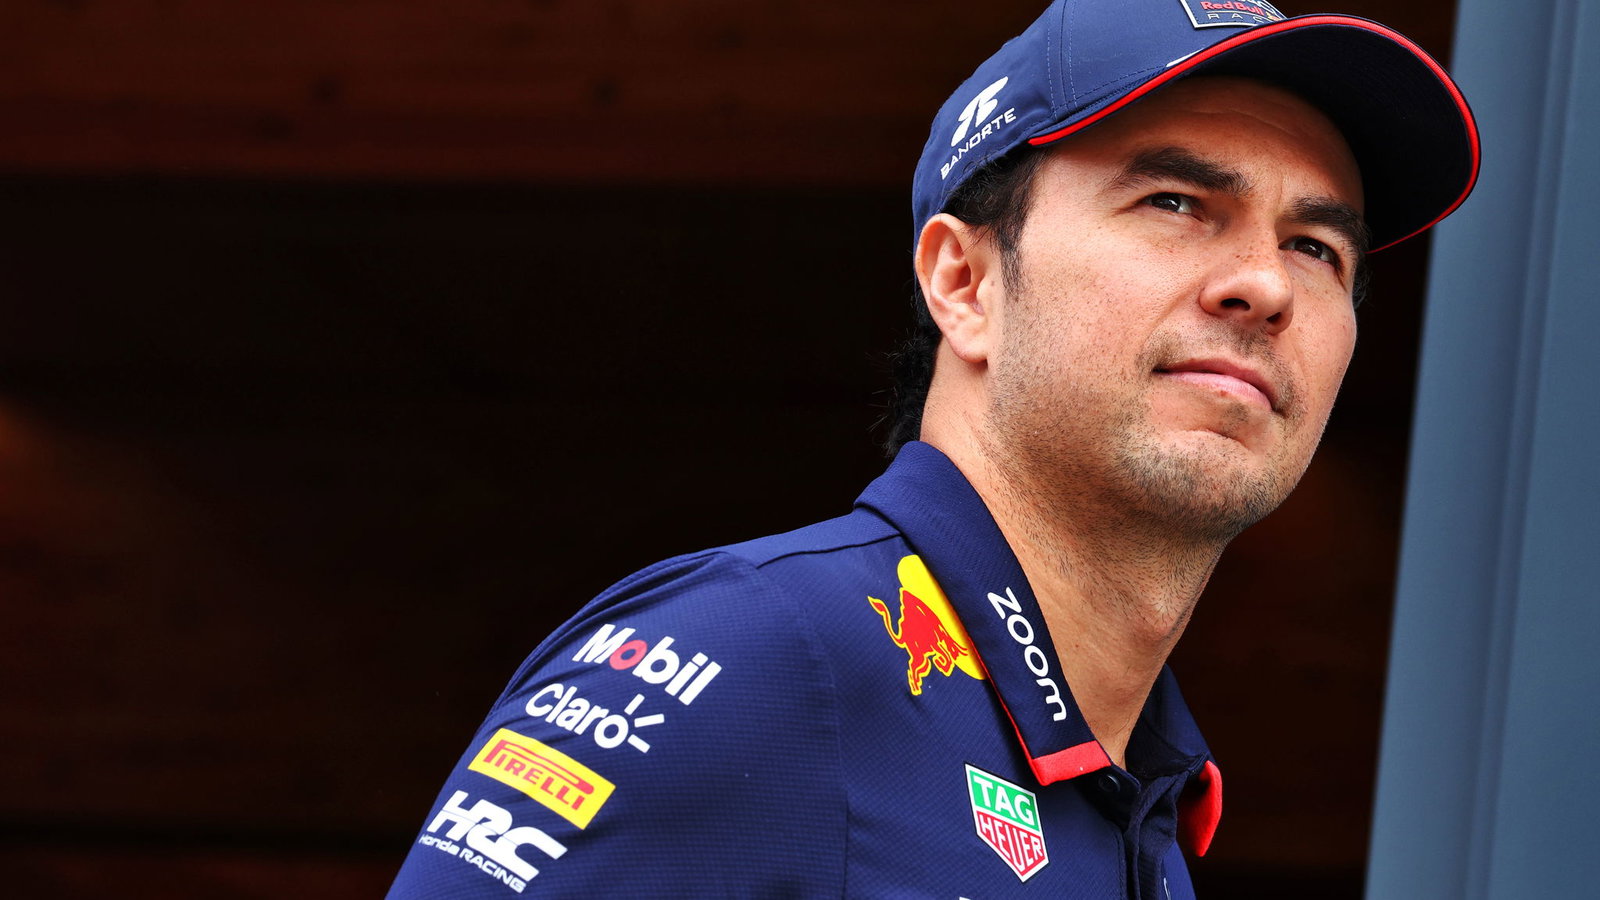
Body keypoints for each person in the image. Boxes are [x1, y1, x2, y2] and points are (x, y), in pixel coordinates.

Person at [387, 1, 1478, 897]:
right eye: (1175, 201)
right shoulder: (754, 660)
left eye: (1316, 246)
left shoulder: (1148, 799)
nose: (1266, 284)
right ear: (965, 283)